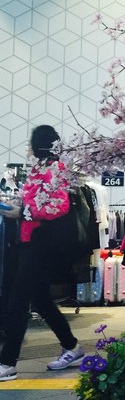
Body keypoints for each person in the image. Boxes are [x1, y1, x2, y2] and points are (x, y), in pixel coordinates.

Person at [0, 125, 84, 382]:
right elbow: (35, 201)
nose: (28, 148)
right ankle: (71, 347)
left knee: (18, 301)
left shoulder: (56, 170)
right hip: (30, 243)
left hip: (42, 245)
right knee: (40, 300)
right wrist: (17, 205)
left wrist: (22, 212)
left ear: (39, 144)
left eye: (30, 143)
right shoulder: (40, 169)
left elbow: (59, 206)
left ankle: (7, 362)